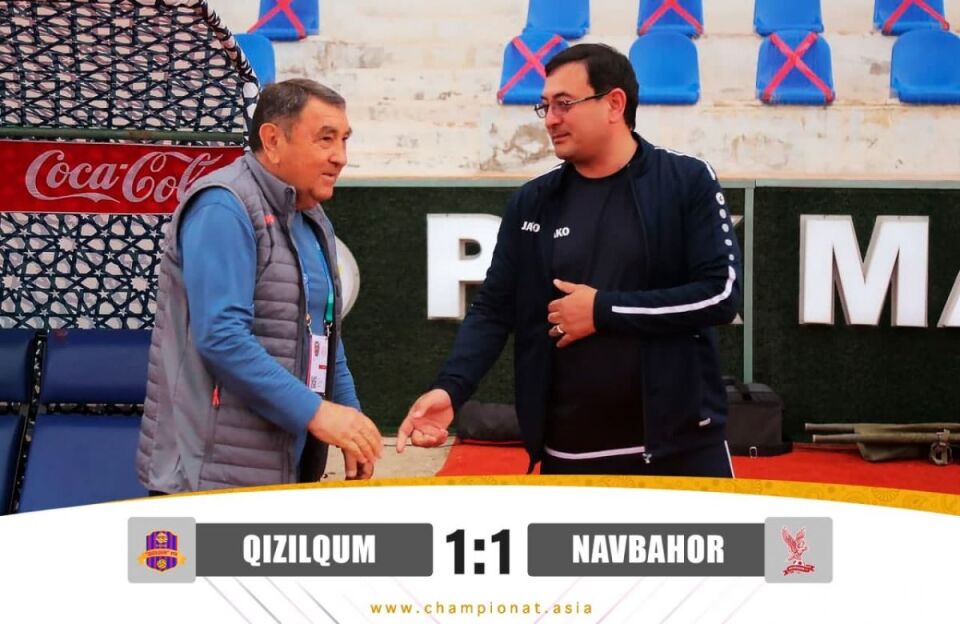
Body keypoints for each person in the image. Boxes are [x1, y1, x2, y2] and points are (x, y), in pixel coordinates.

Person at [397, 44, 742, 477]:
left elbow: (720, 294)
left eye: (564, 103)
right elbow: (493, 309)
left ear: (614, 104)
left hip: (682, 451)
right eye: (546, 106)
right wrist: (451, 388)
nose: (550, 119)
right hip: (570, 455)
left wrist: (603, 310)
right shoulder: (532, 201)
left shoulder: (685, 180)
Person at [137, 79, 382, 493]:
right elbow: (222, 337)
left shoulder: (312, 216)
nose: (340, 157)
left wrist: (349, 418)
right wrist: (318, 413)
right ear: (272, 140)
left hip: (281, 474)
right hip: (204, 480)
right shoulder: (223, 205)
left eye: (344, 140)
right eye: (325, 139)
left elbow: (325, 335)